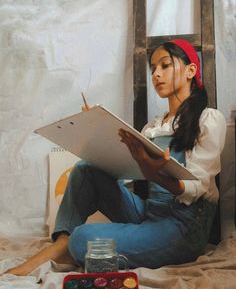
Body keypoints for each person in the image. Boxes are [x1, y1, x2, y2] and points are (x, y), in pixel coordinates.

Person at [6, 39, 226, 276]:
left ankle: (70, 246)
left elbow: (199, 186)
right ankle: (61, 245)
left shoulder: (208, 119)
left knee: (83, 238)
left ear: (191, 71)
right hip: (150, 214)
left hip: (183, 226)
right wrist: (99, 137)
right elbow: (129, 173)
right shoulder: (152, 127)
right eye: (153, 68)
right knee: (84, 170)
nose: (156, 74)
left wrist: (157, 176)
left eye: (165, 65)